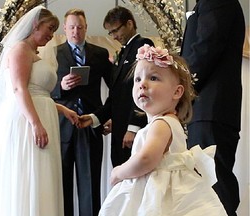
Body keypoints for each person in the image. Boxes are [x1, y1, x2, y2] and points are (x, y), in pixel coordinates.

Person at [98, 44, 227, 216]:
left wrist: (119, 172)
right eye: (137, 79)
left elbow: (146, 159)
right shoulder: (166, 122)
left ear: (177, 92)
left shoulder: (162, 124)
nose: (142, 84)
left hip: (159, 194)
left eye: (153, 78)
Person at [0, 6, 78, 216]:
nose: (51, 34)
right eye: (49, 28)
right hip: (26, 122)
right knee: (28, 173)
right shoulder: (20, 49)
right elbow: (19, 89)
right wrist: (36, 124)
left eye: (54, 30)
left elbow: (38, 94)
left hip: (40, 117)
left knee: (42, 175)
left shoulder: (33, 53)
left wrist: (62, 109)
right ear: (35, 24)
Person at [180, 0, 245, 215]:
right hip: (206, 109)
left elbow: (206, 47)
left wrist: (181, 87)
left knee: (214, 186)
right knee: (206, 185)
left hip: (211, 108)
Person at [50, 8, 112, 216]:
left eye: (79, 27)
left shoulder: (100, 54)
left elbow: (116, 88)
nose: (75, 31)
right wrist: (61, 87)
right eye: (71, 27)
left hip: (90, 124)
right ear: (65, 29)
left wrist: (106, 116)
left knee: (90, 185)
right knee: (61, 184)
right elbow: (41, 89)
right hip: (61, 125)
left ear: (86, 28)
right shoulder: (53, 53)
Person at [79, 6, 154, 168]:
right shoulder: (125, 51)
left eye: (115, 31)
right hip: (119, 129)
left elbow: (143, 90)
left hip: (132, 130)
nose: (113, 36)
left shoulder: (143, 45)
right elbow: (116, 95)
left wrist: (133, 127)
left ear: (129, 24)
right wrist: (95, 118)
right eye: (110, 33)